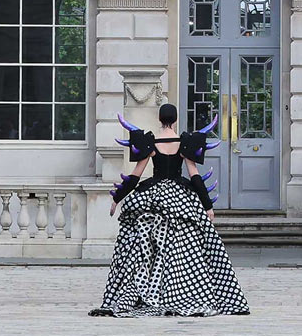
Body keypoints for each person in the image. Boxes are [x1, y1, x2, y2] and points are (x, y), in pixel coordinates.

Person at [92, 103, 247, 318]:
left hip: (153, 195)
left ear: (159, 118)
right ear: (175, 119)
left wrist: (117, 199)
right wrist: (208, 206)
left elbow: (135, 176)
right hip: (179, 197)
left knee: (145, 248)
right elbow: (194, 176)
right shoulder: (184, 143)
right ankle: (180, 290)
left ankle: (149, 291)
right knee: (185, 249)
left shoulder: (150, 142)